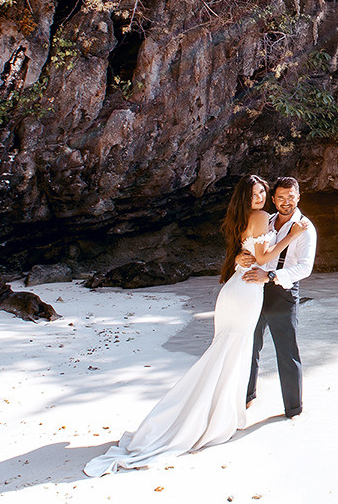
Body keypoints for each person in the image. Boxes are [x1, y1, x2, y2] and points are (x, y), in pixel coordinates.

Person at [84, 175, 310, 476]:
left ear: (294, 196)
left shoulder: (270, 220)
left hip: (252, 290)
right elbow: (263, 255)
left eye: (262, 192)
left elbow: (291, 264)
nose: (261, 197)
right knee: (239, 350)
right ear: (253, 198)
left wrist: (253, 258)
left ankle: (252, 409)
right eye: (257, 193)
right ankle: (221, 413)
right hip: (247, 292)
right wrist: (289, 237)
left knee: (241, 351)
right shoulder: (263, 218)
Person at [236, 176, 316, 419]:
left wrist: (270, 275)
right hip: (254, 292)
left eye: (291, 197)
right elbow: (251, 248)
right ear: (273, 199)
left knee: (287, 352)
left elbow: (305, 268)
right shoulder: (266, 220)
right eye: (280, 197)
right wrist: (240, 257)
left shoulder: (304, 227)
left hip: (282, 293)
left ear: (298, 197)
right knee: (250, 346)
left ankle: (293, 409)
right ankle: (247, 397)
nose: (286, 202)